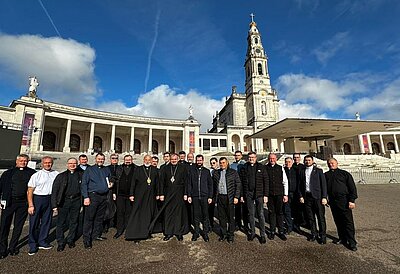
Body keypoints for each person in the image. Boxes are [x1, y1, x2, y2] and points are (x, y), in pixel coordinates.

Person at [0, 154, 35, 259]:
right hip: (9, 202)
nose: (23, 162)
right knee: (4, 226)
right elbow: (0, 187)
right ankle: (2, 249)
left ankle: (12, 247)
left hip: (23, 203)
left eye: (25, 161)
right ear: (16, 161)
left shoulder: (32, 173)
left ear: (28, 162)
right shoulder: (8, 173)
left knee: (18, 226)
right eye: (21, 160)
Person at [27, 156, 59, 255]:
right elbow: (30, 191)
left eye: (49, 163)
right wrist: (30, 205)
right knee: (34, 222)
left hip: (50, 199)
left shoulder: (56, 174)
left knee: (47, 221)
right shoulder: (36, 175)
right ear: (42, 164)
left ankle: (42, 241)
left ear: (52, 163)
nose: (48, 164)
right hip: (38, 199)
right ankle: (32, 244)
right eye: (45, 163)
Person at [81, 153, 114, 249]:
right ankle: (86, 239)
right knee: (89, 218)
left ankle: (96, 235)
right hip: (93, 196)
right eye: (99, 159)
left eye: (102, 159)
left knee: (99, 218)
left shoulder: (106, 169)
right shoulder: (89, 170)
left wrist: (111, 183)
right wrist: (86, 197)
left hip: (103, 197)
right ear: (95, 159)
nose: (101, 160)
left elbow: (110, 179)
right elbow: (84, 184)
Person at [325, 158, 358, 251]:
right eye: (329, 163)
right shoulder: (326, 175)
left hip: (344, 200)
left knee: (348, 222)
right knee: (338, 221)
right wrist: (326, 198)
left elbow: (352, 188)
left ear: (337, 163)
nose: (331, 164)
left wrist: (352, 200)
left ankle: (352, 242)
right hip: (333, 201)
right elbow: (325, 189)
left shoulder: (345, 174)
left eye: (332, 163)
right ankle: (342, 238)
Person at [51, 158, 83, 251]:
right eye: (70, 163)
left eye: (74, 163)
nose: (72, 165)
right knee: (61, 222)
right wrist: (54, 205)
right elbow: (55, 191)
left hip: (76, 200)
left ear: (77, 164)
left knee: (74, 221)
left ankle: (70, 239)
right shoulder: (61, 176)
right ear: (67, 164)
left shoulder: (81, 175)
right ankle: (60, 242)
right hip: (64, 201)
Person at [125, 155, 159, 242]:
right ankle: (136, 234)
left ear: (151, 161)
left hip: (151, 196)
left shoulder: (154, 169)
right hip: (140, 195)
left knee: (149, 214)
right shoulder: (139, 169)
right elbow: (133, 183)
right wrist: (131, 194)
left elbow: (157, 183)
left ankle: (147, 232)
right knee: (138, 214)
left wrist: (158, 193)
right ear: (143, 160)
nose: (147, 161)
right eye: (146, 159)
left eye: (149, 160)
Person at [158, 153, 189, 241]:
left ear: (178, 159)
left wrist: (186, 194)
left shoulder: (183, 168)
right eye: (172, 159)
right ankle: (168, 232)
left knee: (178, 214)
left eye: (175, 159)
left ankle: (178, 232)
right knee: (168, 213)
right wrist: (161, 194)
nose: (174, 160)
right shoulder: (165, 168)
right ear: (170, 159)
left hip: (179, 193)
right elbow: (161, 182)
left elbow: (186, 182)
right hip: (167, 193)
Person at [239, 152, 268, 244]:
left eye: (253, 157)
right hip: (249, 194)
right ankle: (252, 232)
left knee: (260, 214)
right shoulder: (244, 167)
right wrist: (242, 195)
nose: (251, 159)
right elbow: (242, 182)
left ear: (256, 158)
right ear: (248, 158)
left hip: (259, 194)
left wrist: (265, 195)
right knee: (251, 214)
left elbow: (266, 181)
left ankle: (262, 234)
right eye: (250, 157)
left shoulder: (261, 167)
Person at [298, 155, 327, 244]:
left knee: (320, 217)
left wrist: (324, 197)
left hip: (317, 197)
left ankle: (322, 236)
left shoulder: (318, 171)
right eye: (306, 160)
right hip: (307, 197)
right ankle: (314, 234)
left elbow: (323, 185)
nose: (307, 162)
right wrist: (301, 196)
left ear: (312, 161)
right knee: (310, 217)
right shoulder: (302, 171)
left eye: (309, 160)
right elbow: (299, 185)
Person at [212, 157, 241, 243]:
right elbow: (213, 186)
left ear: (227, 163)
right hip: (220, 197)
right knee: (222, 218)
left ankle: (230, 235)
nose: (222, 164)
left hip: (230, 197)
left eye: (224, 162)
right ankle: (223, 234)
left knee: (230, 218)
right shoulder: (216, 173)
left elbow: (238, 184)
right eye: (220, 163)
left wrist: (236, 197)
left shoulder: (233, 172)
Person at [187, 155, 213, 242]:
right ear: (195, 161)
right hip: (195, 196)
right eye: (197, 160)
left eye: (200, 160)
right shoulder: (192, 171)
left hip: (204, 196)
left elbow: (210, 185)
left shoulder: (206, 171)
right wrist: (189, 195)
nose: (199, 162)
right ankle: (196, 232)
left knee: (205, 215)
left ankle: (205, 233)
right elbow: (189, 184)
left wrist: (210, 196)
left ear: (203, 161)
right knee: (196, 215)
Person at [265, 153, 288, 241]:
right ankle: (272, 231)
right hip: (270, 195)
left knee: (280, 213)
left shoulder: (280, 168)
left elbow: (285, 181)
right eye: (270, 158)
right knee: (271, 213)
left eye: (273, 158)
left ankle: (281, 231)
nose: (272, 160)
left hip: (279, 194)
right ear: (268, 159)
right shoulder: (265, 168)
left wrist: (285, 194)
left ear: (276, 159)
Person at [113, 155, 136, 239]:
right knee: (120, 213)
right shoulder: (119, 168)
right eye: (126, 160)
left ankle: (128, 229)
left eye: (129, 160)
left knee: (129, 213)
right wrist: (114, 192)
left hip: (131, 195)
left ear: (132, 160)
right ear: (124, 160)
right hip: (120, 195)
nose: (128, 161)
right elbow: (115, 180)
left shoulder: (136, 168)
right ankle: (119, 230)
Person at [230, 151, 248, 232]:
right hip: (235, 188)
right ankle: (238, 223)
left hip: (243, 188)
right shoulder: (232, 165)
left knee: (245, 208)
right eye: (236, 155)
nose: (237, 157)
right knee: (237, 207)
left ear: (241, 156)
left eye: (238, 155)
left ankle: (246, 224)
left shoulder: (245, 164)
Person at [104, 154, 119, 233]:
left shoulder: (120, 168)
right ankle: (106, 225)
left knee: (117, 207)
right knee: (108, 208)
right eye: (113, 158)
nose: (115, 159)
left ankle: (115, 223)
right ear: (110, 159)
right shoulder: (106, 168)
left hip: (119, 190)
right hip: (109, 191)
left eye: (116, 158)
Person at [283, 157, 298, 234]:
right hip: (286, 193)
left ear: (292, 162)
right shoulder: (283, 170)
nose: (288, 163)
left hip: (295, 193)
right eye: (286, 162)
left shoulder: (296, 170)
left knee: (295, 210)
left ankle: (296, 226)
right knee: (287, 210)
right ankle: (289, 226)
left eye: (289, 162)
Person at [208, 157, 219, 232]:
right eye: (211, 163)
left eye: (214, 163)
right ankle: (210, 225)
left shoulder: (220, 171)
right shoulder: (208, 171)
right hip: (211, 193)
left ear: (217, 163)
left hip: (219, 193)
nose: (212, 165)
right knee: (210, 210)